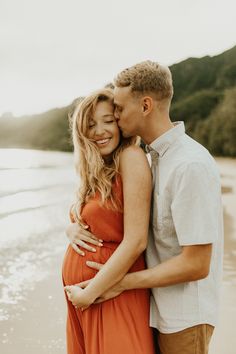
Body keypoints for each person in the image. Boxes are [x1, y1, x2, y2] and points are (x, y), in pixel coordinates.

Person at [66, 61, 224, 354]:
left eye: (120, 109)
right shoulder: (155, 158)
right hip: (156, 310)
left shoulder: (189, 165)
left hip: (184, 318)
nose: (116, 115)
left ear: (146, 105)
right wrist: (73, 225)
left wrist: (119, 284)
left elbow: (196, 264)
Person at [62, 88, 155, 354]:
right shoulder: (98, 168)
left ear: (120, 123)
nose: (99, 130)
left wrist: (90, 293)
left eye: (107, 121)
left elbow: (136, 241)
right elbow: (94, 217)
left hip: (111, 294)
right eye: (91, 124)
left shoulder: (131, 157)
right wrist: (71, 228)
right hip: (87, 297)